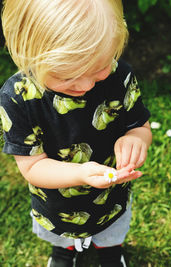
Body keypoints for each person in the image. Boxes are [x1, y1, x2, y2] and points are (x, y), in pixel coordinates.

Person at [0, 0, 152, 266]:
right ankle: (64, 251)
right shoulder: (18, 99)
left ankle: (110, 250)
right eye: (67, 76)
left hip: (111, 197)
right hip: (56, 202)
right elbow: (33, 166)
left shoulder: (120, 77)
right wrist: (80, 173)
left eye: (97, 70)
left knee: (112, 229)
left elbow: (139, 123)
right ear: (29, 55)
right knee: (60, 234)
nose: (85, 84)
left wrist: (137, 138)